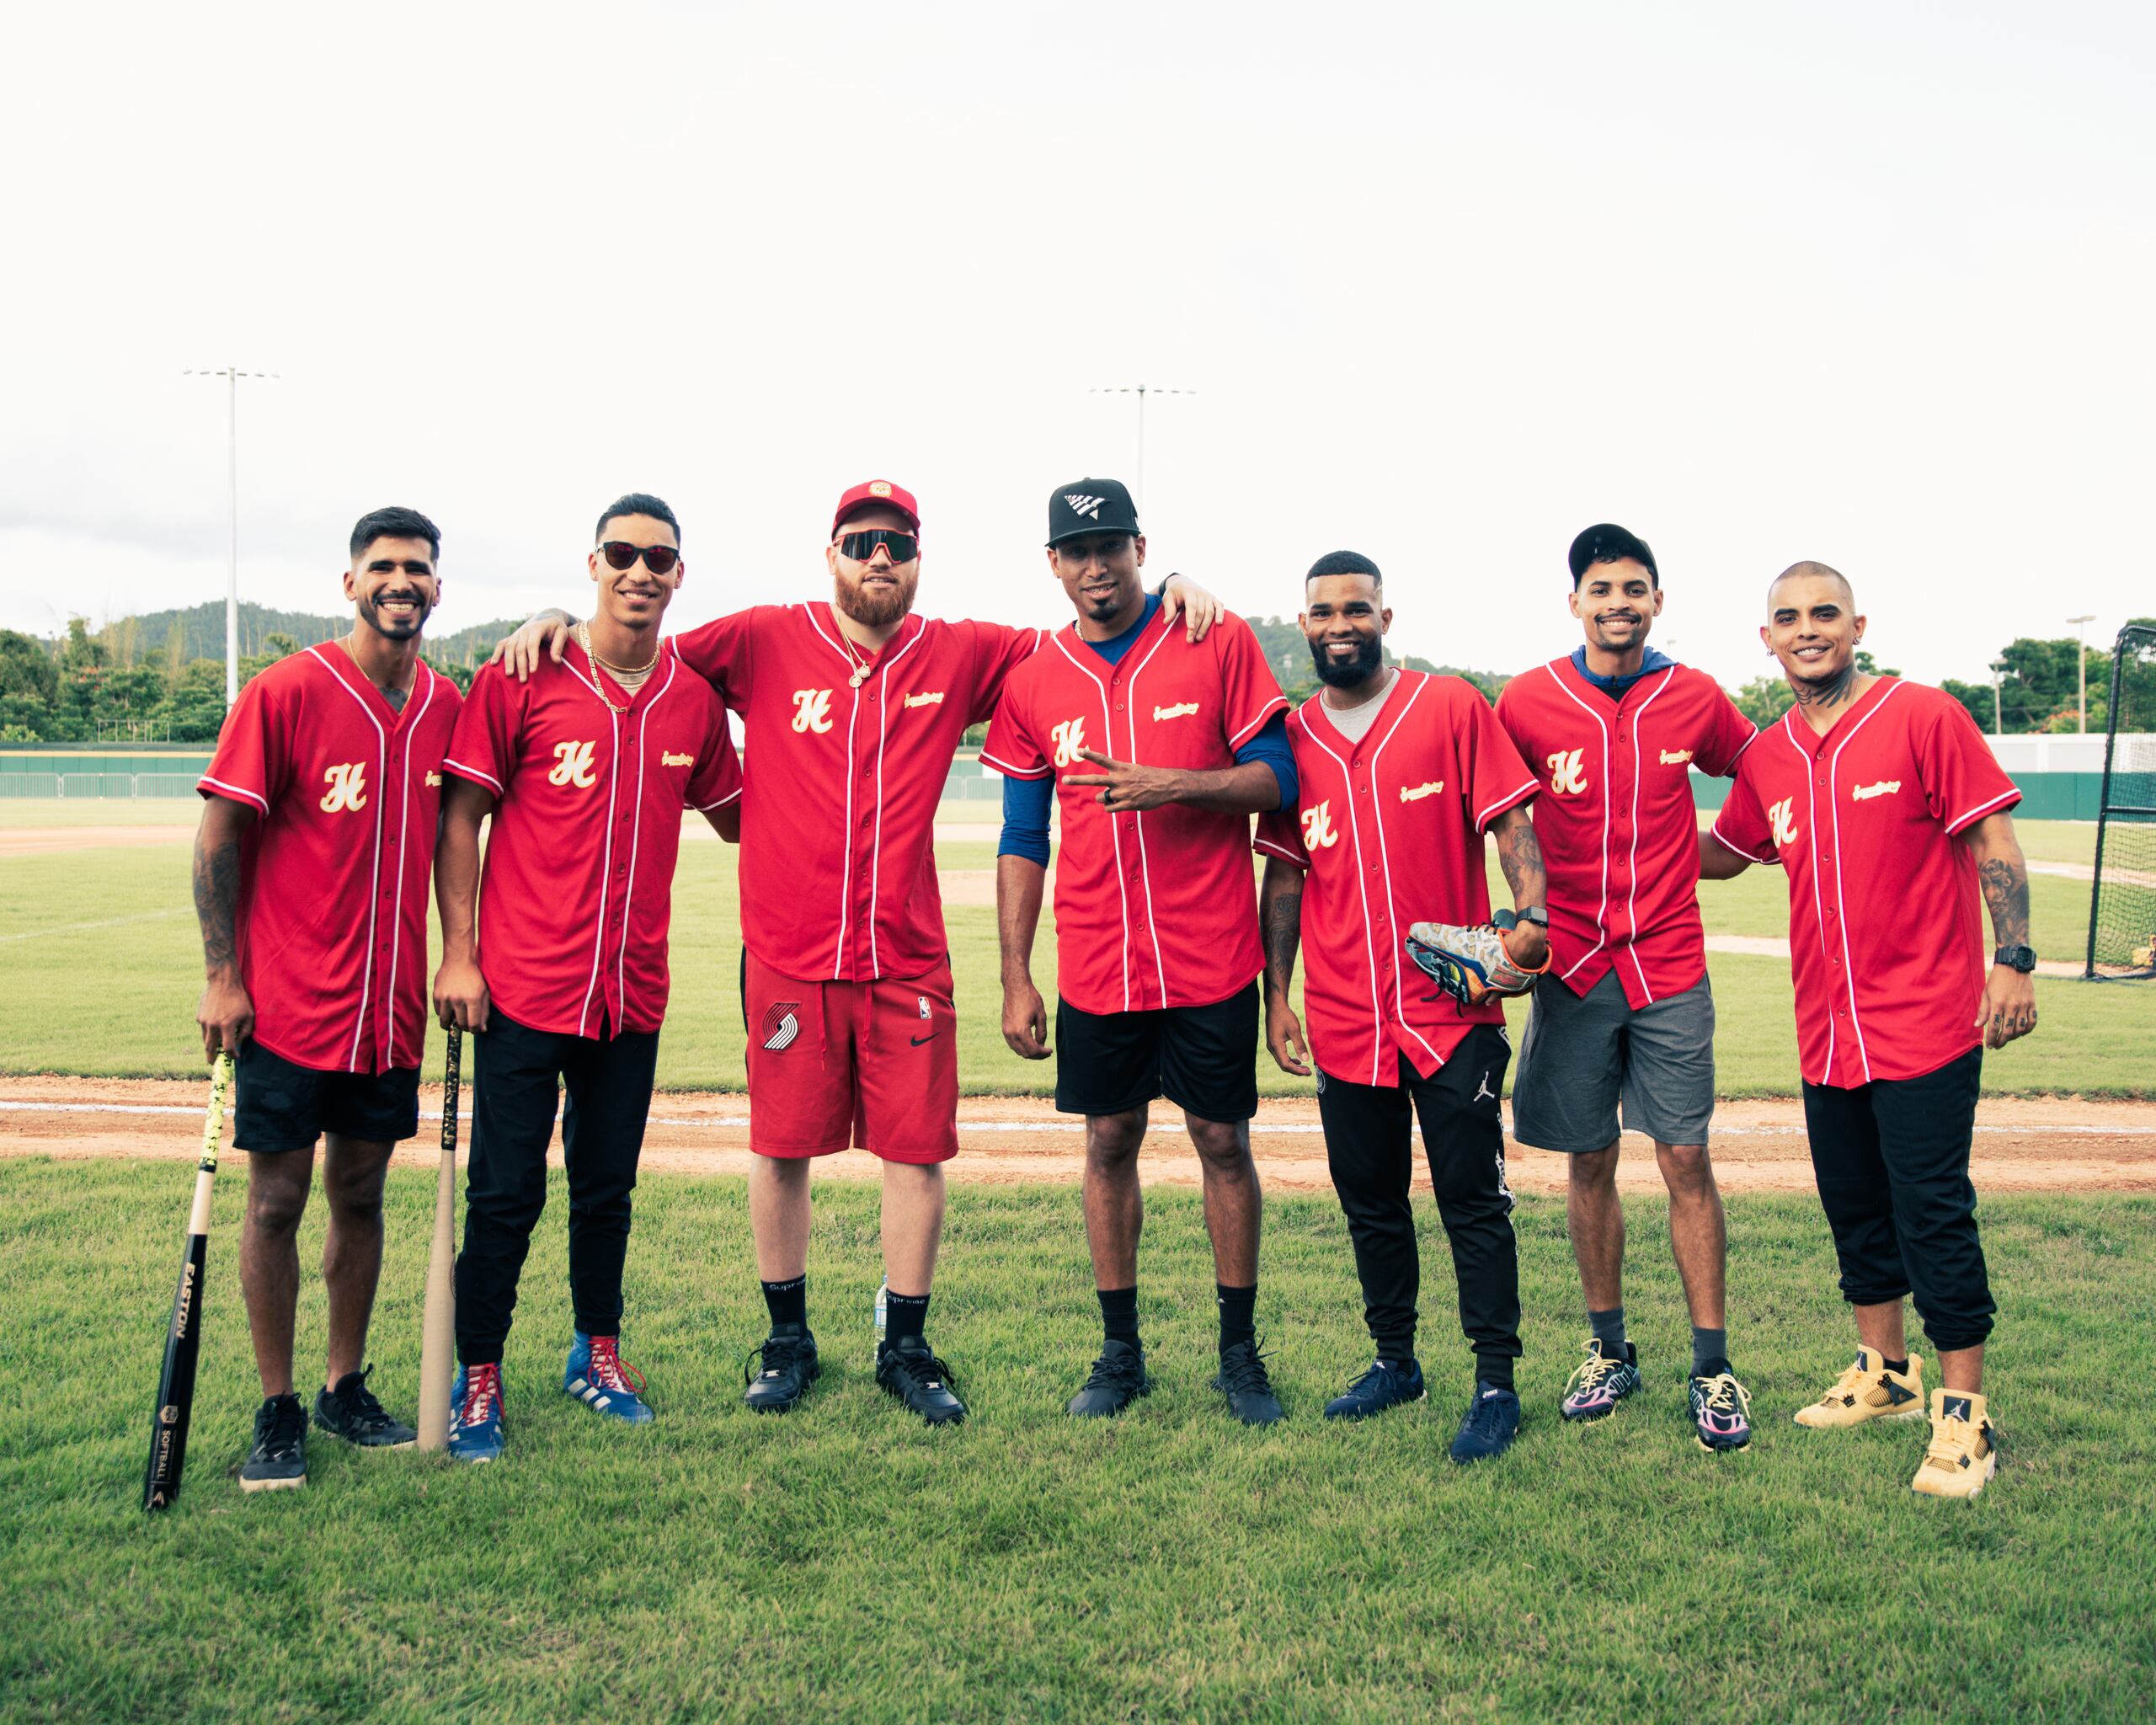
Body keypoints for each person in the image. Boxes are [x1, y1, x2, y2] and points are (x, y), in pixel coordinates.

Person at [491, 481, 1220, 1426]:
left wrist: (1167, 588)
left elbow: (1091, 633)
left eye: (898, 542)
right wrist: (554, 614)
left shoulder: (961, 649)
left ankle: (905, 1342)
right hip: (790, 950)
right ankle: (787, 1337)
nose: (880, 556)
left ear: (918, 557)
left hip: (905, 952)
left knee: (915, 1155)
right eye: (861, 540)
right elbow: (633, 646)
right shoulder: (758, 637)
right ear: (830, 553)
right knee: (782, 1147)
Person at [1701, 561, 2035, 1498]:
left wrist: (2013, 956)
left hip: (1926, 1021)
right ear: (1763, 637)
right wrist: (1608, 846)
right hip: (1826, 1029)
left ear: (1856, 626)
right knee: (1853, 1207)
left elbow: (1992, 843)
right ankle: (1884, 1374)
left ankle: (1965, 1416)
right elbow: (1725, 853)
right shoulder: (1767, 754)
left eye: (1823, 614)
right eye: (1786, 618)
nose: (1806, 630)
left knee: (1931, 1212)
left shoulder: (1923, 716)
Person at [431, 494, 741, 1463]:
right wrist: (458, 952)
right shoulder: (524, 673)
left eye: (659, 558)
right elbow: (461, 819)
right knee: (503, 1194)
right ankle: (479, 1370)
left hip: (629, 993)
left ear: (679, 574)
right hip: (523, 988)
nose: (639, 572)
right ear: (593, 563)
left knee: (606, 1189)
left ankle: (594, 1353)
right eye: (622, 554)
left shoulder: (691, 698)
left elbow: (743, 820)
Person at [986, 478, 1295, 1424]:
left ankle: (1238, 1355)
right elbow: (1022, 833)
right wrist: (1014, 973)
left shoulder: (1214, 637)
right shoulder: (1035, 675)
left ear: (1138, 547)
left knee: (1219, 1141)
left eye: (1111, 546)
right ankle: (1119, 1353)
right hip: (1096, 961)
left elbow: (1277, 779)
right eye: (1076, 552)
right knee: (1109, 1138)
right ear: (1053, 564)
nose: (1095, 567)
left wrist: (1175, 784)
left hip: (1206, 954)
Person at [193, 505, 462, 1491]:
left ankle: (345, 1385)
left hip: (385, 1013)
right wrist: (223, 975)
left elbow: (453, 842)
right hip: (289, 1008)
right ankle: (278, 1405)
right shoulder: (288, 690)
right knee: (275, 1199)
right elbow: (219, 834)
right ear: (350, 583)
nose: (403, 581)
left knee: (360, 1193)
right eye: (384, 566)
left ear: (439, 588)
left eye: (420, 568)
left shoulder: (444, 706)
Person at [1255, 552, 1545, 1463]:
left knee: (1471, 1198)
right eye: (1321, 611)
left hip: (1448, 1009)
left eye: (1355, 608)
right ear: (1303, 623)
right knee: (1370, 1200)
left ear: (1385, 614)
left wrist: (1528, 916)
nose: (1338, 623)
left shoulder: (1450, 706)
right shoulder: (1293, 736)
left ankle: (1495, 1380)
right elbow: (1285, 880)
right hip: (1345, 1011)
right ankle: (1395, 1361)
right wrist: (1278, 993)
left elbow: (1511, 822)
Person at [1493, 524, 1760, 1452]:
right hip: (1569, 967)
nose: (1618, 603)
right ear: (1575, 602)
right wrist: (1515, 921)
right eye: (1601, 588)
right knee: (1589, 1158)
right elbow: (1495, 812)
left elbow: (1765, 776)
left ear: (1657, 600)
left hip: (1668, 962)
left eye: (1634, 588)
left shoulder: (1693, 697)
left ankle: (1712, 1363)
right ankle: (1608, 1347)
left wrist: (1716, 857)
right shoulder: (1528, 700)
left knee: (1685, 1158)